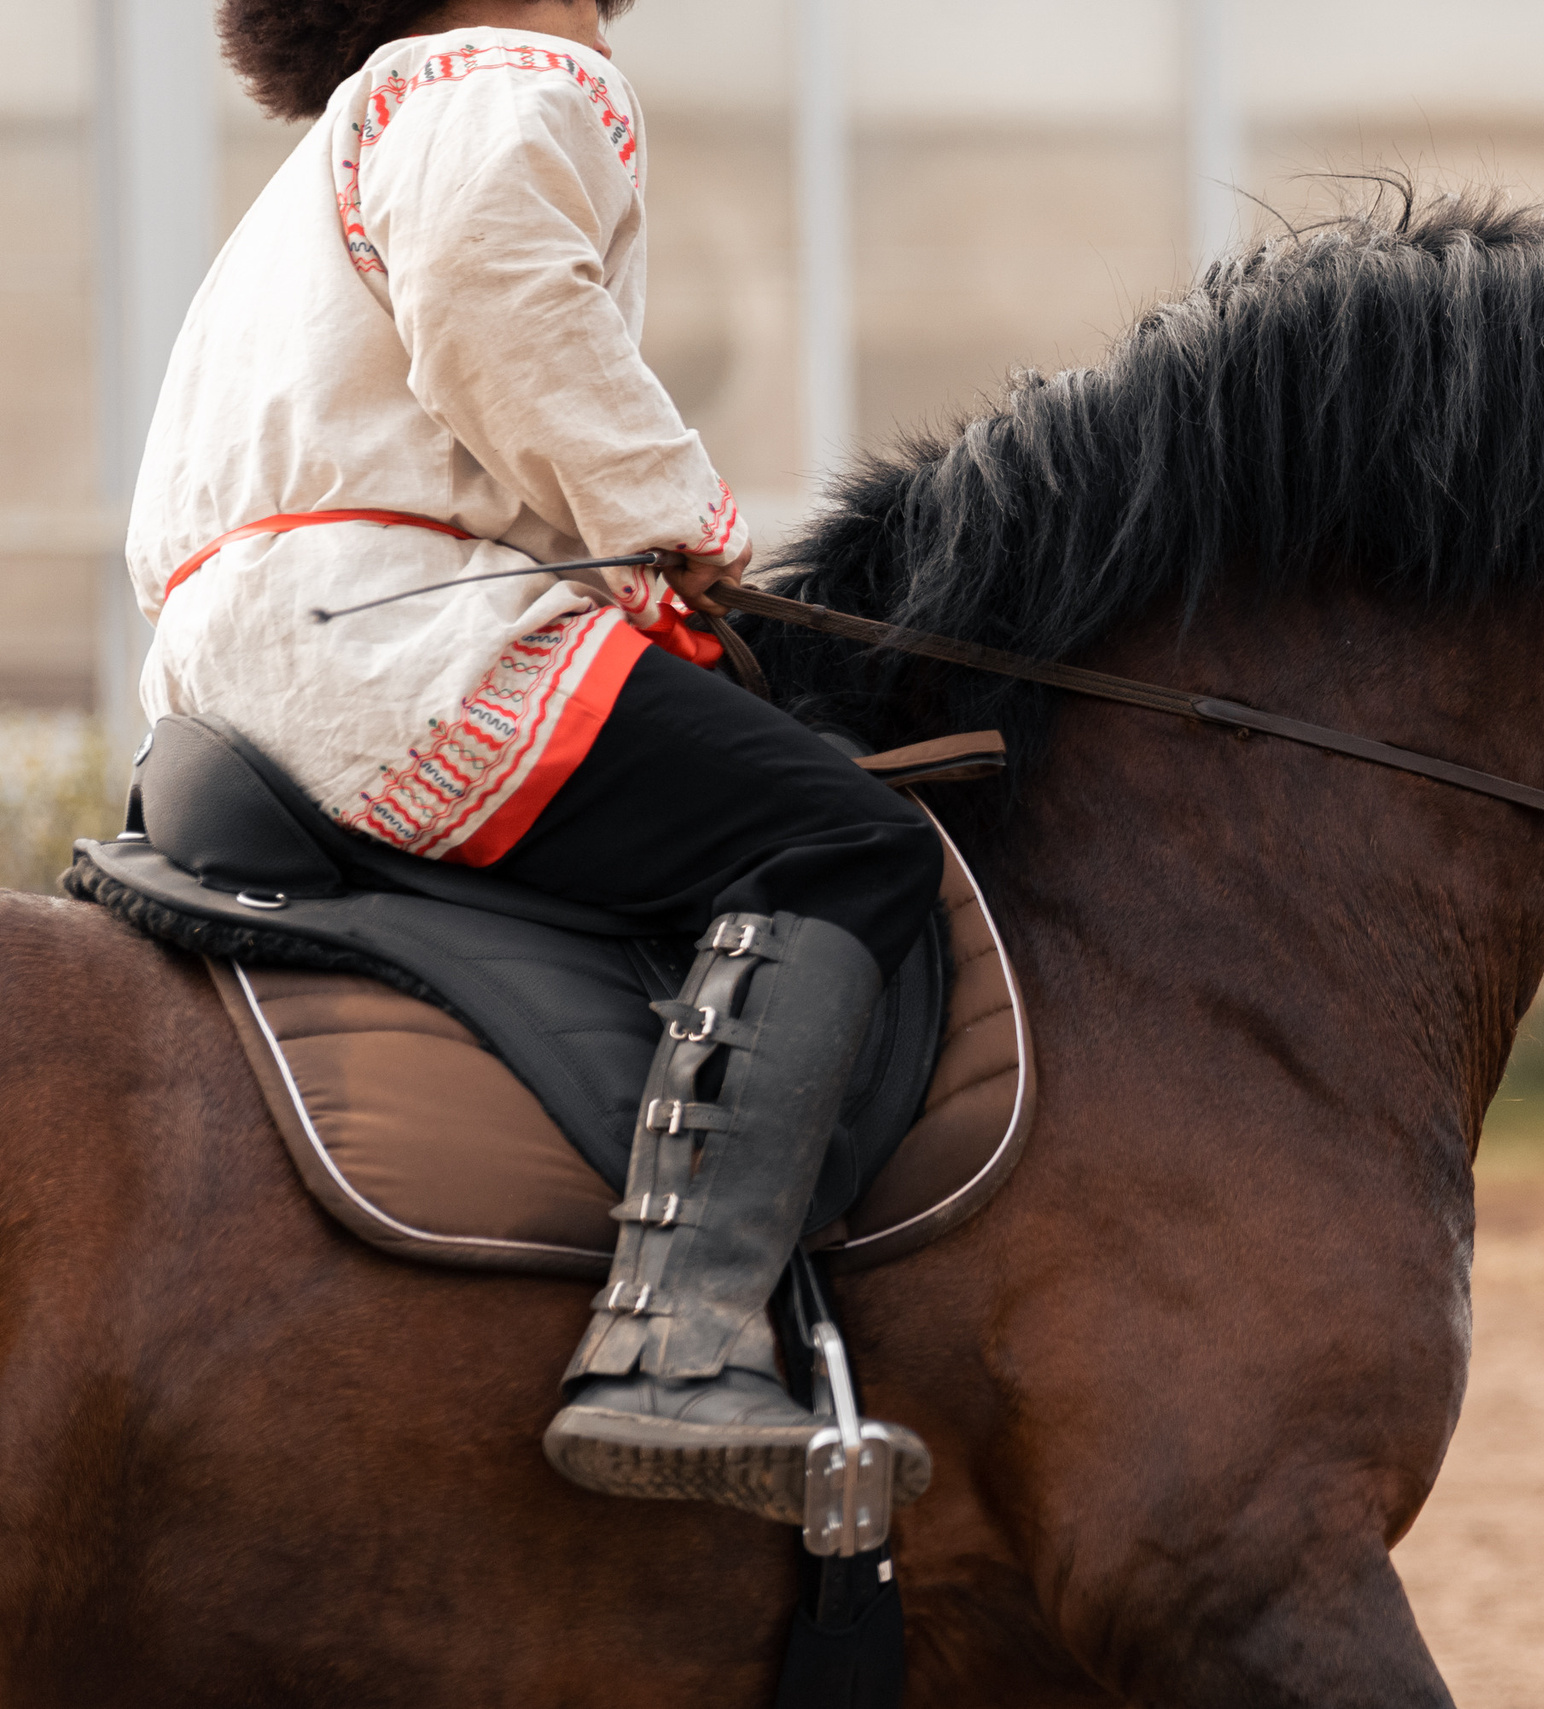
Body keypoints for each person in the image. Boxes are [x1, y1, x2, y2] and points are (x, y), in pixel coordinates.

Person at [130, 0, 946, 1527]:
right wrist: (680, 522)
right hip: (394, 638)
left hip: (243, 652)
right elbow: (502, 301)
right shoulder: (512, 69)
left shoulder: (343, 141)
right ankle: (676, 1354)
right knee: (846, 840)